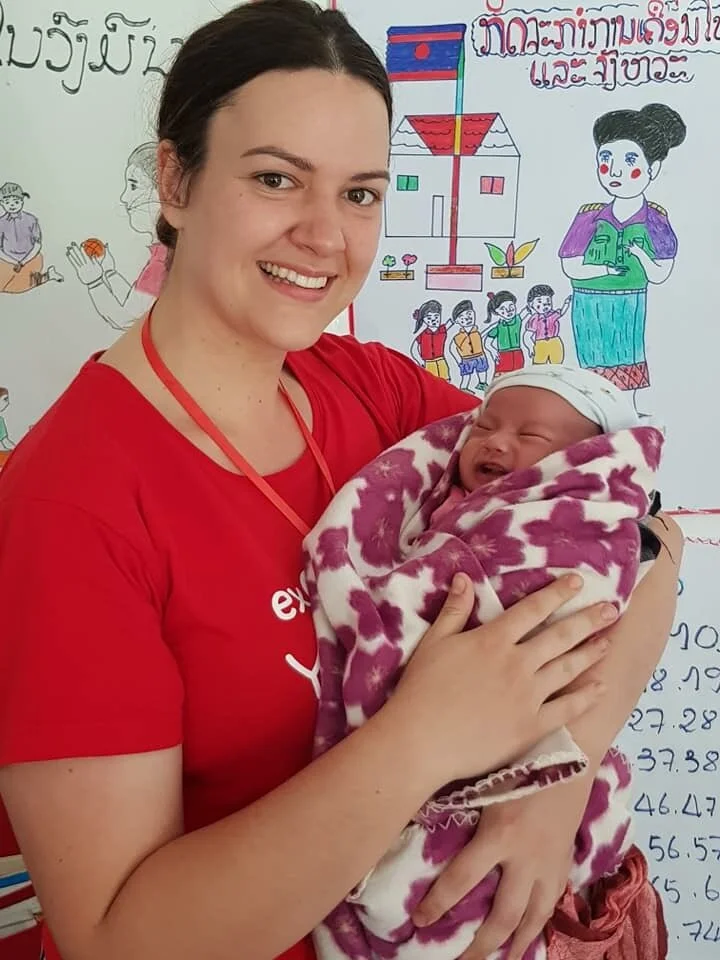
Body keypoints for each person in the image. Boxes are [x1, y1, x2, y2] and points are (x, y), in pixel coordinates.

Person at [0, 5, 681, 960]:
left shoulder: (373, 389)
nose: (325, 236)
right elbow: (118, 938)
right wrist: (426, 741)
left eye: (361, 193)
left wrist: (549, 781)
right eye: (277, 179)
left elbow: (647, 539)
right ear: (176, 180)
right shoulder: (72, 507)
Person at [306, 366, 665, 959]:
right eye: (486, 427)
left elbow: (656, 544)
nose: (496, 441)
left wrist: (558, 782)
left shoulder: (576, 516)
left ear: (584, 459)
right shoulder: (449, 487)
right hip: (399, 766)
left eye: (533, 438)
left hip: (523, 744)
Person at [558, 103, 685, 406]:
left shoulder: (656, 220)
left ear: (652, 169)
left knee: (627, 367)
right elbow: (570, 265)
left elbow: (660, 272)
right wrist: (603, 270)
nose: (615, 171)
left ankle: (627, 414)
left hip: (629, 303)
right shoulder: (587, 217)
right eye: (606, 159)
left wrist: (641, 255)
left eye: (630, 160)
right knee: (590, 375)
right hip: (589, 305)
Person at [66, 143, 168, 331]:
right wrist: (110, 272)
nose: (124, 197)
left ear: (165, 190)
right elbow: (135, 302)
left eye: (134, 186)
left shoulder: (163, 263)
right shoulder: (161, 255)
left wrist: (94, 281)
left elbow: (128, 321)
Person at [0, 182, 63, 294]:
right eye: (7, 202)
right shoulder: (1, 223)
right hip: (7, 261)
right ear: (2, 203)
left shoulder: (31, 220)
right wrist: (13, 261)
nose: (12, 205)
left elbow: (37, 245)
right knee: (3, 286)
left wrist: (23, 261)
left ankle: (46, 276)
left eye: (16, 201)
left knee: (18, 286)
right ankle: (46, 277)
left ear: (22, 201)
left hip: (30, 259)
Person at [520, 284, 570, 366]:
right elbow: (527, 335)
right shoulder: (534, 319)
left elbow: (561, 312)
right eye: (540, 302)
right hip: (540, 344)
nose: (545, 305)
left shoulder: (553, 315)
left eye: (548, 302)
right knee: (539, 365)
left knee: (557, 364)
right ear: (531, 304)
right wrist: (530, 346)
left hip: (555, 342)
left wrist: (566, 304)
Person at [448, 299, 489, 394]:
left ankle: (482, 384)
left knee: (482, 371)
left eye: (469, 314)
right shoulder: (458, 337)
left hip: (480, 356)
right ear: (457, 321)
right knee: (466, 374)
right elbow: (452, 349)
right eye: (462, 317)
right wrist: (458, 360)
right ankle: (464, 388)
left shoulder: (477, 332)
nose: (467, 318)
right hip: (466, 358)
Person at [484, 290, 525, 374]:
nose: (508, 310)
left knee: (518, 376)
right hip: (503, 354)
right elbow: (487, 341)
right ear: (496, 312)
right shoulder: (499, 327)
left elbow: (527, 310)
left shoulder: (518, 320)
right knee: (502, 377)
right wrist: (493, 351)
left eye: (511, 306)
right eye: (502, 309)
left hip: (517, 353)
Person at [409, 300, 451, 381]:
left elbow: (451, 321)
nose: (433, 320)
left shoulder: (442, 329)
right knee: (431, 381)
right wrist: (420, 361)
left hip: (441, 360)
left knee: (445, 380)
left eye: (436, 317)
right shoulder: (422, 334)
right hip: (428, 362)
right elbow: (414, 348)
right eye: (429, 318)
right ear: (423, 320)